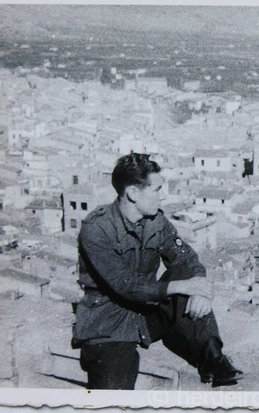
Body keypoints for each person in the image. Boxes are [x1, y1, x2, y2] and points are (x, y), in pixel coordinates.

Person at [72, 153, 243, 389]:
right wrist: (184, 286)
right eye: (157, 189)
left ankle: (213, 361)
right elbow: (125, 285)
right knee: (115, 389)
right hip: (108, 322)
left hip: (146, 312)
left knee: (186, 273)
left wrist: (199, 288)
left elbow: (186, 258)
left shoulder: (155, 222)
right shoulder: (97, 229)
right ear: (133, 193)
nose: (163, 196)